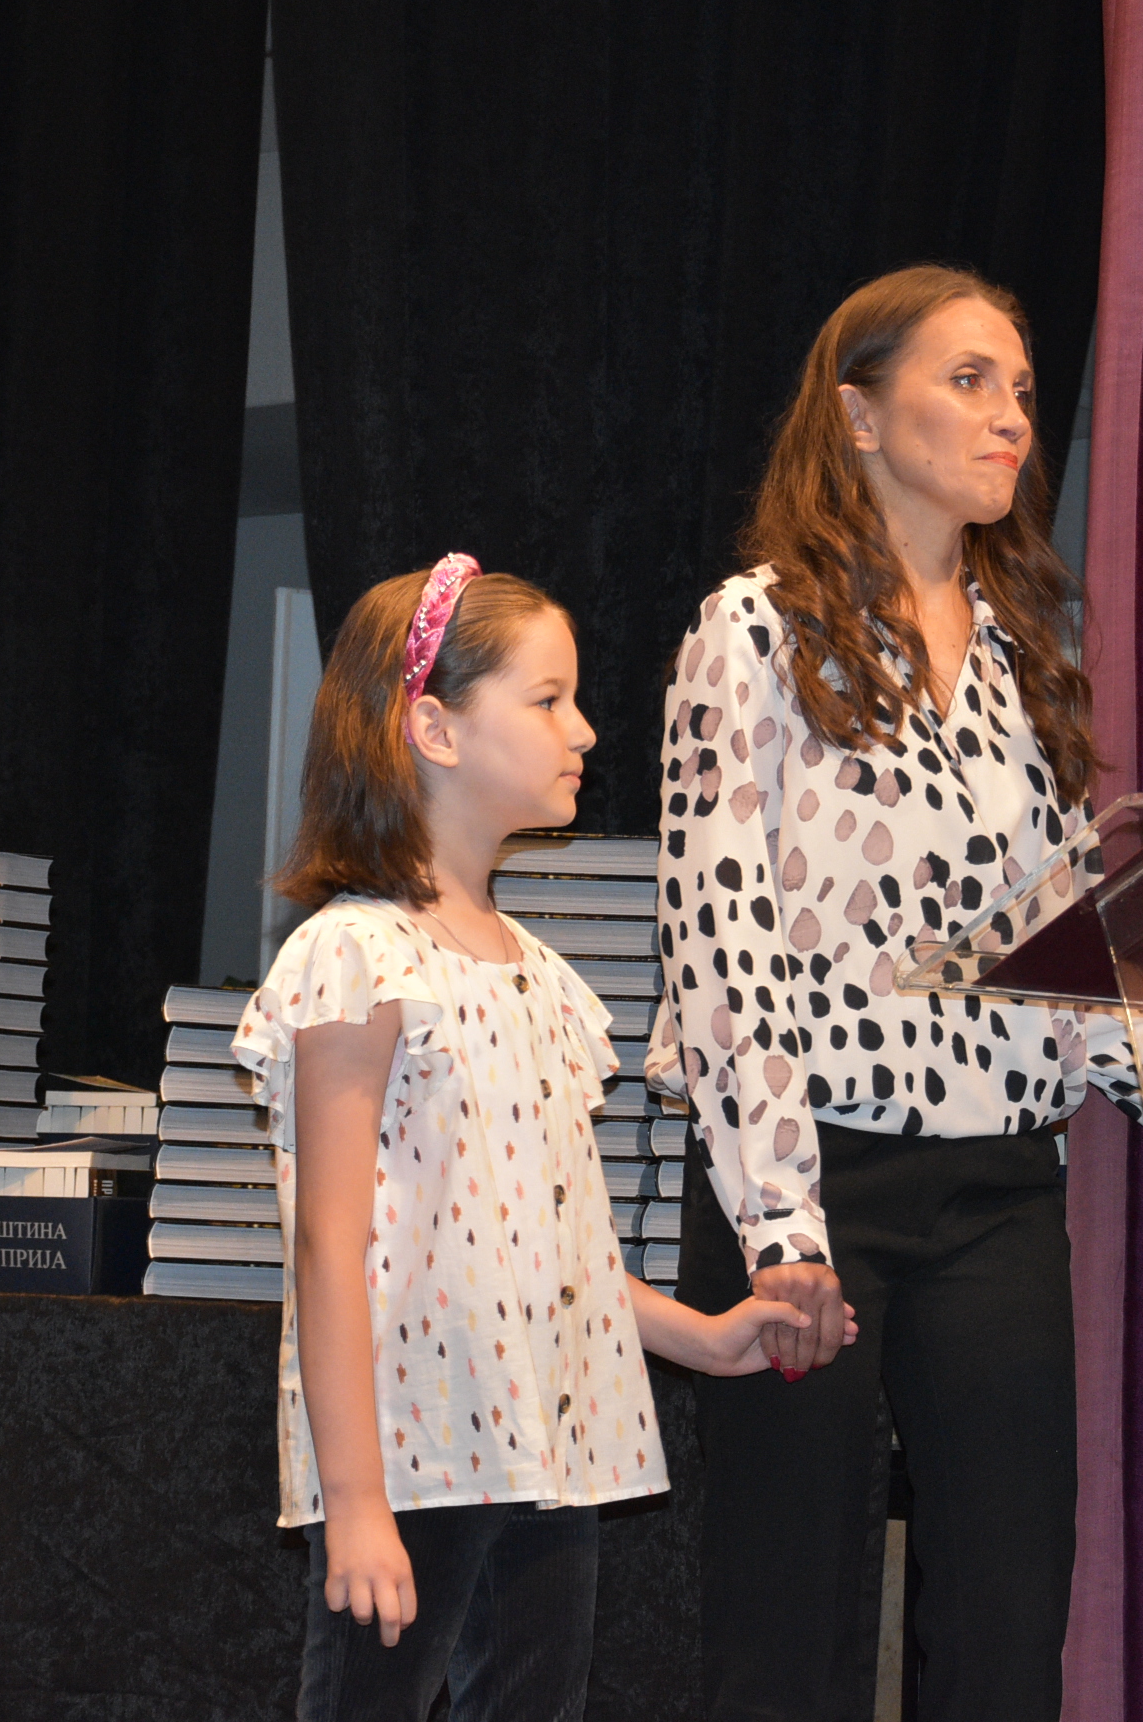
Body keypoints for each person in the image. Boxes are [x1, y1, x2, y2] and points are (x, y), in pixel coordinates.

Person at [651, 265, 1143, 1721]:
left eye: (1020, 389)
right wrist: (781, 1227)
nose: (1011, 416)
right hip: (810, 1183)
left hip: (998, 1188)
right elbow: (723, 946)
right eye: (969, 381)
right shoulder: (752, 632)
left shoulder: (1021, 663)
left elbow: (1076, 973)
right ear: (858, 415)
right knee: (786, 1642)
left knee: (1004, 1634)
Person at [236, 554, 845, 1722]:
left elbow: (550, 1244)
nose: (585, 729)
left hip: (546, 1440)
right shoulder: (358, 954)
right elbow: (328, 1246)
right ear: (435, 728)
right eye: (547, 697)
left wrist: (701, 1336)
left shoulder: (543, 980)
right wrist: (354, 1498)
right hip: (414, 1447)